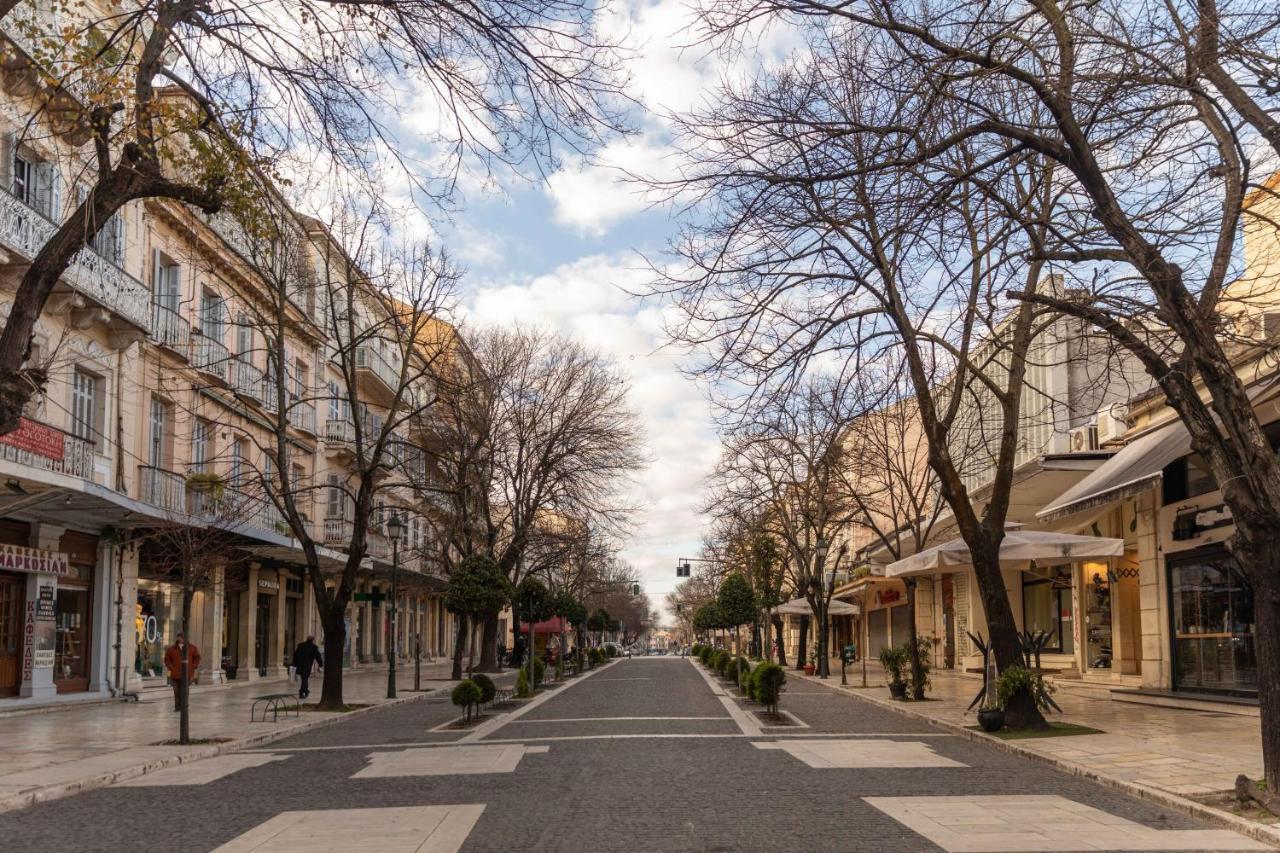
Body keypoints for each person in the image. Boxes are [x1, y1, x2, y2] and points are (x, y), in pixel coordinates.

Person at [163, 633, 202, 713]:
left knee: (184, 691)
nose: (180, 639)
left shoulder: (192, 648)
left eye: (181, 637)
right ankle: (177, 707)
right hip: (175, 674)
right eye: (179, 638)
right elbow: (167, 659)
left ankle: (184, 706)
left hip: (187, 674)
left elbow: (197, 658)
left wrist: (193, 666)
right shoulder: (171, 649)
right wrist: (171, 668)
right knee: (176, 691)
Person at [291, 635, 324, 700]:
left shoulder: (300, 645)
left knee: (304, 678)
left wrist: (295, 664)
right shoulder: (313, 647)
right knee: (305, 678)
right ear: (313, 640)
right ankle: (302, 692)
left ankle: (305, 690)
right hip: (307, 666)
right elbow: (318, 656)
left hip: (299, 665)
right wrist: (320, 665)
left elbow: (296, 654)